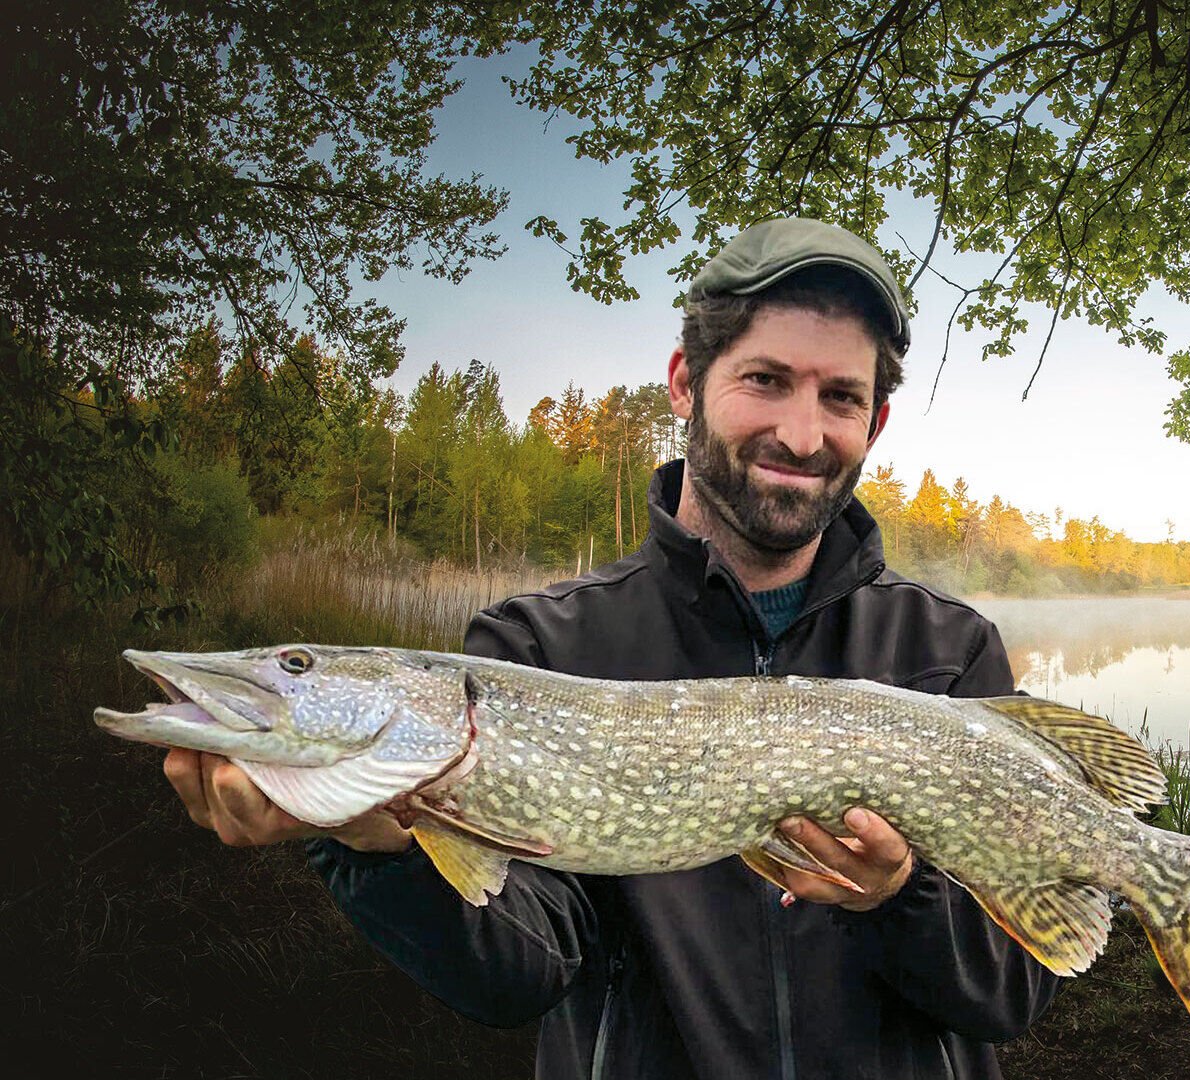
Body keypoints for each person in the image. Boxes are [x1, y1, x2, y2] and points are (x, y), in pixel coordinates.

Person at [161, 218, 1059, 1078]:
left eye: (840, 397)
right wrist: (370, 845)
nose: (800, 433)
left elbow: (1013, 992)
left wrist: (900, 899)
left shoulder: (948, 649)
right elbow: (522, 968)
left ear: (876, 422)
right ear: (684, 382)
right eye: (766, 381)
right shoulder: (537, 647)